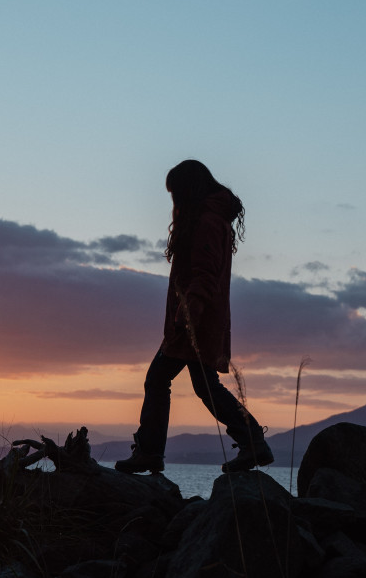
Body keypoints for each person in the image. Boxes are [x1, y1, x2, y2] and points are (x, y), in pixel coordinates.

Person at [115, 160, 274, 475]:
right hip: (200, 319)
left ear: (188, 190)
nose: (174, 200)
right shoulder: (211, 219)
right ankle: (252, 442)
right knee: (203, 386)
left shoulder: (206, 222)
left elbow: (205, 275)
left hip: (195, 322)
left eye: (175, 192)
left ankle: (150, 452)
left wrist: (187, 316)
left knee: (159, 379)